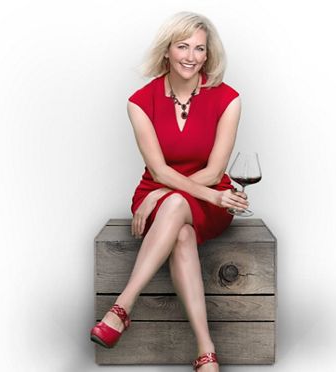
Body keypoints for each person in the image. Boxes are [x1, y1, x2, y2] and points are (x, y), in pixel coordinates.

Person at [90, 11, 248, 371]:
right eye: (183, 47)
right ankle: (206, 351)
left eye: (200, 49)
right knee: (182, 236)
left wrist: (164, 196)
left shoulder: (229, 99)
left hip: (202, 197)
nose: (191, 56)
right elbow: (159, 170)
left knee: (177, 203)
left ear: (208, 55)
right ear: (167, 51)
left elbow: (214, 171)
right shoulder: (139, 102)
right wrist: (164, 192)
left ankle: (121, 309)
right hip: (171, 195)